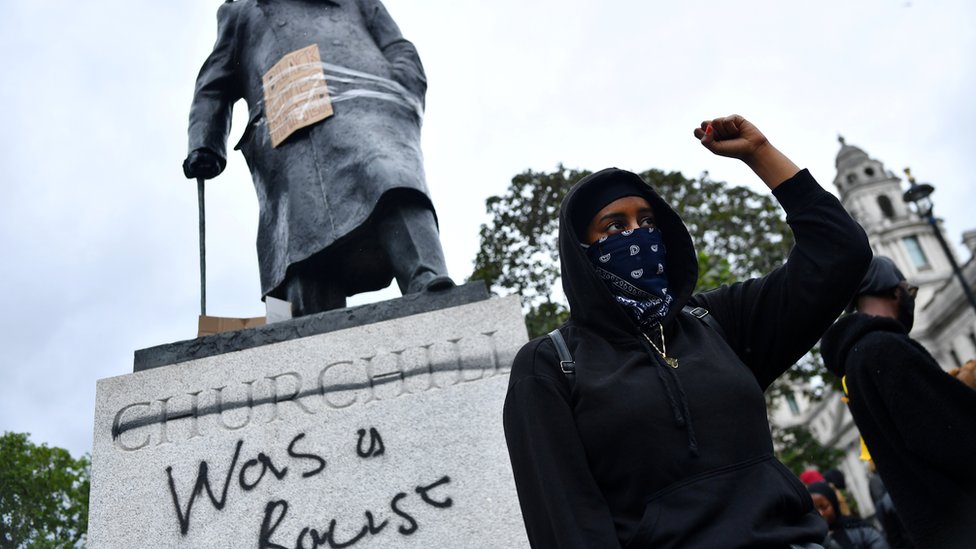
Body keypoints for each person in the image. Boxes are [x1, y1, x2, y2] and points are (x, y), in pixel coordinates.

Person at [503, 114, 872, 547]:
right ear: (582, 251)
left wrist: (760, 154)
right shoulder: (551, 364)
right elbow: (567, 526)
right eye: (615, 226)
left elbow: (840, 253)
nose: (638, 234)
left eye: (648, 221)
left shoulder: (718, 322)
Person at [184, 0, 453, 316]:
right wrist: (205, 142)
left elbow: (398, 45)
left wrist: (404, 82)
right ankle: (304, 322)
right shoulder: (243, 11)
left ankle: (427, 277)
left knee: (390, 177)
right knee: (300, 235)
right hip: (291, 122)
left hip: (370, 100)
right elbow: (214, 85)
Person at [820, 256, 976, 548]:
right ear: (894, 290)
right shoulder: (885, 349)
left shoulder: (858, 360)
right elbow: (950, 436)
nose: (910, 298)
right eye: (909, 290)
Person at [808, 482, 889, 549]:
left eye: (824, 507)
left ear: (834, 504)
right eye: (815, 510)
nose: (821, 513)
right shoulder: (810, 542)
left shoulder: (859, 529)